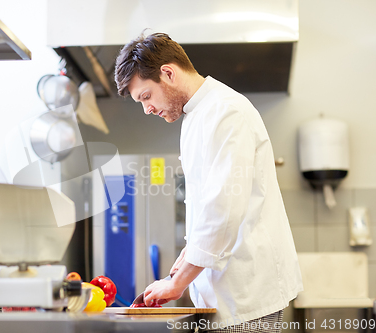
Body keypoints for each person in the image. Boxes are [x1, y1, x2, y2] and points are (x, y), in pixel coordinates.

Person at [114, 32, 303, 331]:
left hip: (246, 296)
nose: (146, 109)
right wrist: (180, 266)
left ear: (168, 73)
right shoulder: (196, 116)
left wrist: (177, 283)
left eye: (146, 96)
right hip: (224, 295)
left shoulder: (226, 111)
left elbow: (222, 210)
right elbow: (207, 210)